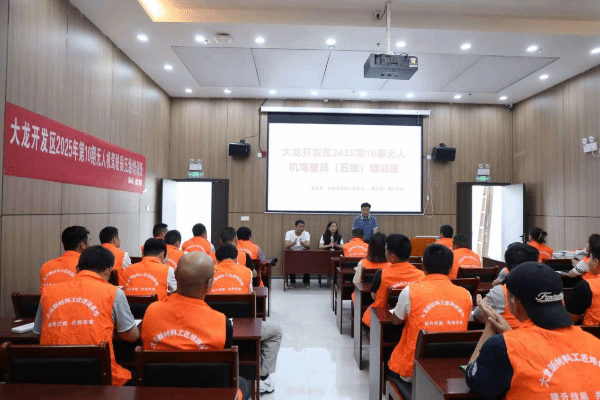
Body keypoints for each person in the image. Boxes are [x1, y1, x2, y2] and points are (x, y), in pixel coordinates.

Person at [466, 262, 600, 398]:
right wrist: (510, 334)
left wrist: (489, 326)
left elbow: (474, 379)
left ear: (514, 303)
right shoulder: (595, 343)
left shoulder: (502, 347)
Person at [140, 252, 251, 400]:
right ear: (209, 283)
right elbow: (226, 368)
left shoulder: (150, 311)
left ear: (175, 276)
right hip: (208, 395)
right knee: (243, 382)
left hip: (159, 394)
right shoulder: (221, 322)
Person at [33, 245, 140, 386]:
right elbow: (131, 336)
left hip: (52, 376)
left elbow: (38, 333)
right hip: (98, 375)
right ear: (108, 271)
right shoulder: (114, 292)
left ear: (77, 268)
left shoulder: (48, 292)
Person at [388, 244, 472, 386]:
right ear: (451, 268)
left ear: (423, 266)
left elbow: (396, 321)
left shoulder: (409, 291)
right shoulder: (466, 295)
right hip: (453, 372)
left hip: (414, 371)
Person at [206, 245, 283, 395]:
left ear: (216, 259)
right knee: (276, 332)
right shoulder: (246, 272)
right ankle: (263, 377)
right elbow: (250, 296)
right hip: (241, 327)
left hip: (213, 325)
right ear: (236, 258)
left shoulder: (208, 274)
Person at [362, 234, 425, 327]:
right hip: (412, 319)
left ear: (392, 257)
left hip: (383, 321)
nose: (385, 253)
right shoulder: (421, 275)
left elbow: (374, 296)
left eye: (386, 251)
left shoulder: (381, 274)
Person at [473, 242, 539, 329]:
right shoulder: (550, 289)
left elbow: (478, 314)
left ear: (507, 265)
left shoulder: (500, 292)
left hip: (511, 336)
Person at [40, 226, 91, 293]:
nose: (90, 245)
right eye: (89, 241)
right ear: (82, 245)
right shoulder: (87, 267)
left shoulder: (46, 266)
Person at [565, 238, 600, 325]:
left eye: (590, 258)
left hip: (592, 332)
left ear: (595, 262)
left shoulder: (585, 287)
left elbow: (570, 320)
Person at [284, 219, 311, 288]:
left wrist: (303, 243)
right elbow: (286, 246)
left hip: (303, 253)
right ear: (296, 226)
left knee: (308, 262)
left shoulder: (306, 233)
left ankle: (306, 281)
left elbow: (308, 246)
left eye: (303, 227)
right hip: (292, 253)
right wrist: (293, 243)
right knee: (290, 263)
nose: (301, 228)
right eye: (300, 226)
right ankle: (292, 282)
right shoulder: (289, 233)